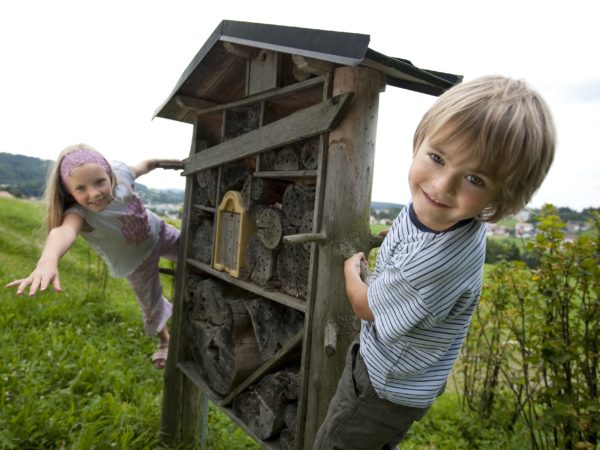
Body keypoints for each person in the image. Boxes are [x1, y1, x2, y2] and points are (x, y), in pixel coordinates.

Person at [313, 75, 556, 449]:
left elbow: (365, 307)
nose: (442, 186)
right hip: (414, 375)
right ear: (420, 141)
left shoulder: (430, 265)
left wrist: (351, 272)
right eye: (437, 158)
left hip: (383, 385)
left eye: (475, 178)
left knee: (336, 442)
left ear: (503, 195)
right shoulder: (450, 216)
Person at [5, 143, 184, 370]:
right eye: (81, 188)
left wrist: (170, 164)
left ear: (109, 174)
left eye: (100, 182)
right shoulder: (79, 214)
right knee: (151, 306)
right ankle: (165, 341)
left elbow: (146, 164)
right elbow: (63, 232)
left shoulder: (122, 176)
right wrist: (47, 261)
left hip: (160, 233)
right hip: (135, 263)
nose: (94, 193)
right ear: (69, 192)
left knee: (195, 254)